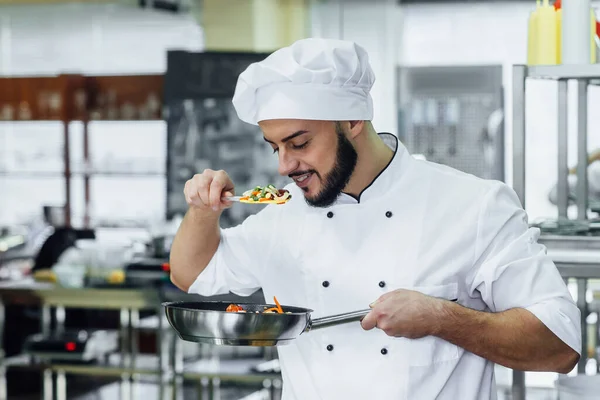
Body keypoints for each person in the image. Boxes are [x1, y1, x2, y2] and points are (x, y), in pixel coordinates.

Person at [169, 38, 581, 399]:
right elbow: (192, 274)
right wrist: (202, 212)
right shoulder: (284, 214)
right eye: (274, 147)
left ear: (352, 120)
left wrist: (443, 318)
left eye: (299, 143)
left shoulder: (473, 205)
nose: (284, 166)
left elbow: (560, 346)